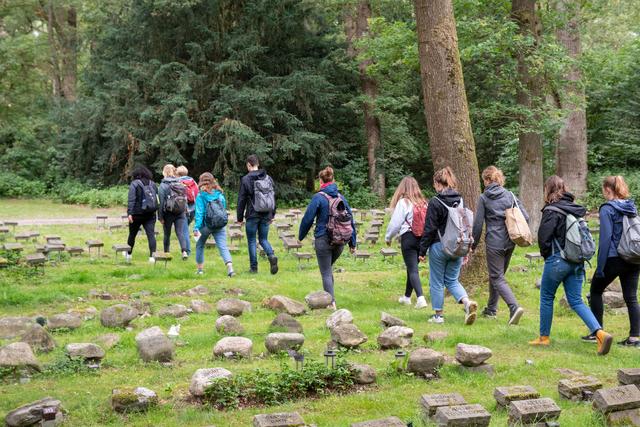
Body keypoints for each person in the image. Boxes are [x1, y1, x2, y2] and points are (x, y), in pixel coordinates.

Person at [529, 175, 613, 355]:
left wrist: (547, 256)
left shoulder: (551, 210)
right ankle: (600, 333)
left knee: (546, 297)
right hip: (577, 262)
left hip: (557, 260)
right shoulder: (574, 209)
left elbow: (543, 238)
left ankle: (544, 338)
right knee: (576, 300)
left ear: (548, 189)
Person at [582, 176, 639, 347]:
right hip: (634, 256)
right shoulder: (630, 206)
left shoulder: (607, 208)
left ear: (608, 189)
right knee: (631, 297)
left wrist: (600, 266)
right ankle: (635, 337)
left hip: (615, 257)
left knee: (595, 291)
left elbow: (606, 239)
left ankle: (597, 332)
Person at [418, 167, 478, 325]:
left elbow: (429, 228)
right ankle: (467, 303)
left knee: (436, 281)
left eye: (434, 184)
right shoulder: (461, 200)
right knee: (452, 280)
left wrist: (422, 250)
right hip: (458, 247)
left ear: (438, 183)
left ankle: (438, 316)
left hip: (439, 247)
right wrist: (465, 250)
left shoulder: (435, 202)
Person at [471, 166, 527, 325]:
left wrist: (473, 246)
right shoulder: (510, 195)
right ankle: (491, 309)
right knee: (497, 276)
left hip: (494, 242)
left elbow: (477, 225)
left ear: (487, 180)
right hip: (510, 241)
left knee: (497, 277)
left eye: (484, 180)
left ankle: (514, 307)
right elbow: (526, 216)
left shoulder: (484, 198)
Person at [299, 166, 356, 310]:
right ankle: (330, 299)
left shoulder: (318, 197)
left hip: (323, 239)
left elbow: (307, 219)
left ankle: (331, 303)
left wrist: (300, 236)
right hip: (340, 241)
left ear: (321, 181)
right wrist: (352, 244)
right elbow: (350, 220)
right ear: (333, 180)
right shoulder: (341, 197)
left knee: (325, 272)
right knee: (328, 270)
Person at [385, 176, 428, 309]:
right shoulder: (424, 202)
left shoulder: (404, 202)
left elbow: (395, 223)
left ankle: (421, 298)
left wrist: (388, 237)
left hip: (409, 237)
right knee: (412, 267)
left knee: (412, 269)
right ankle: (407, 297)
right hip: (422, 238)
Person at [236, 154, 278, 274]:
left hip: (252, 214)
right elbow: (273, 197)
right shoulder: (268, 178)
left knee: (251, 241)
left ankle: (254, 268)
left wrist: (239, 218)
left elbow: (241, 200)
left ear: (249, 165)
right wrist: (272, 215)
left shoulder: (246, 179)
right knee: (264, 239)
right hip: (266, 213)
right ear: (258, 164)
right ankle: (271, 255)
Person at [193, 173, 234, 277]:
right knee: (223, 246)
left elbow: (199, 213)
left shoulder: (201, 196)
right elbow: (222, 209)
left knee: (200, 245)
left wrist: (196, 228)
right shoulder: (219, 194)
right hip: (219, 225)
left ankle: (200, 270)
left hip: (205, 226)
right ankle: (230, 268)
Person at [125, 165, 158, 263]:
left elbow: (131, 199)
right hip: (151, 213)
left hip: (137, 214)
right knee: (151, 235)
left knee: (132, 235)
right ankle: (152, 257)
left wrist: (129, 213)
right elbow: (156, 199)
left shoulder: (134, 184)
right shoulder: (153, 184)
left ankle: (129, 255)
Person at [158, 164, 189, 260]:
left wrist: (160, 217)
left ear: (164, 172)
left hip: (168, 213)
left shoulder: (163, 185)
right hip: (180, 212)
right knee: (180, 232)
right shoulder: (180, 183)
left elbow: (161, 202)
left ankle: (167, 254)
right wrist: (185, 210)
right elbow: (185, 198)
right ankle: (184, 251)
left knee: (167, 234)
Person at [176, 165, 199, 257]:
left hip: (184, 209)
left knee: (184, 230)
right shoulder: (193, 181)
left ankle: (187, 251)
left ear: (177, 174)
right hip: (194, 208)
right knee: (185, 228)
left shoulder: (178, 182)